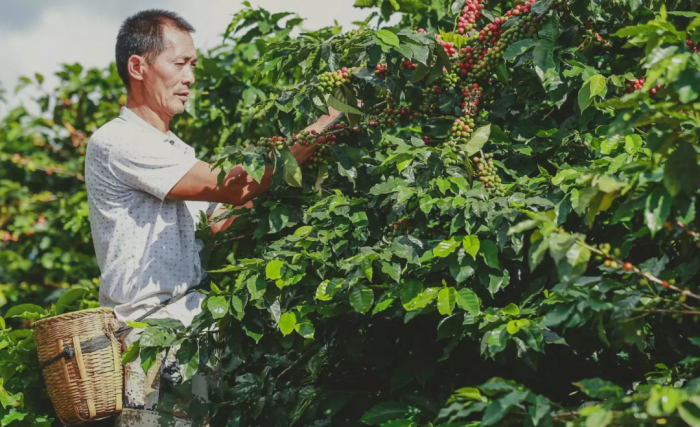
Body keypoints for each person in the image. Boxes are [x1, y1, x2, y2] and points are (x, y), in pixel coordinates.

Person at [84, 9, 340, 427]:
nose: (190, 78)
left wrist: (297, 191)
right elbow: (236, 185)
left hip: (192, 333)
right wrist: (327, 123)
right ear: (138, 66)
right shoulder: (117, 140)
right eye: (180, 64)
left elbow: (221, 220)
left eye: (194, 66)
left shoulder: (176, 150)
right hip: (150, 338)